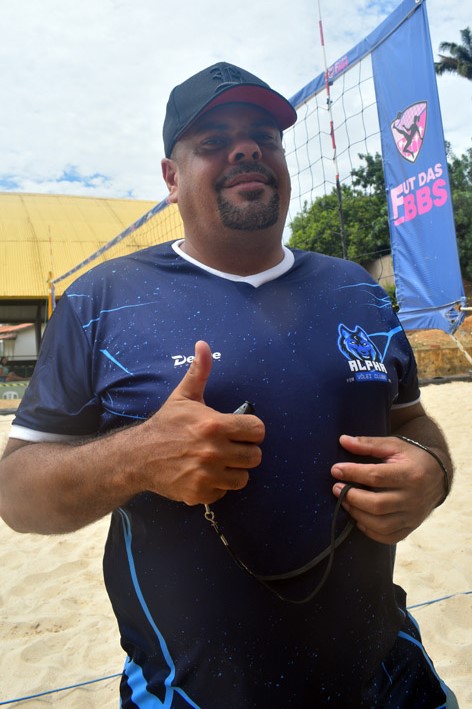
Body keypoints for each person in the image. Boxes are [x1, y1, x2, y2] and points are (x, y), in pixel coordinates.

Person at [0, 62, 458, 708]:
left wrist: (433, 472)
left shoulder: (355, 288)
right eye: (214, 141)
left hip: (386, 677)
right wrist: (137, 456)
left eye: (264, 137)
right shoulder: (100, 300)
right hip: (192, 692)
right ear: (171, 178)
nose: (246, 149)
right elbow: (16, 494)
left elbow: (412, 421)